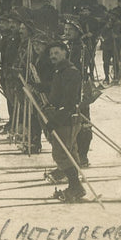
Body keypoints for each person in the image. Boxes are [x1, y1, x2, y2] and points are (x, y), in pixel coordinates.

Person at [42, 41, 87, 202]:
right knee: (70, 152)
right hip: (64, 118)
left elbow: (69, 101)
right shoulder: (59, 71)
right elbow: (57, 94)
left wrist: (55, 120)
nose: (53, 56)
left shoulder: (70, 72)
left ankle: (76, 187)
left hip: (66, 119)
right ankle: (74, 185)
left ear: (65, 52)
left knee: (61, 153)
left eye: (56, 52)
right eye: (51, 54)